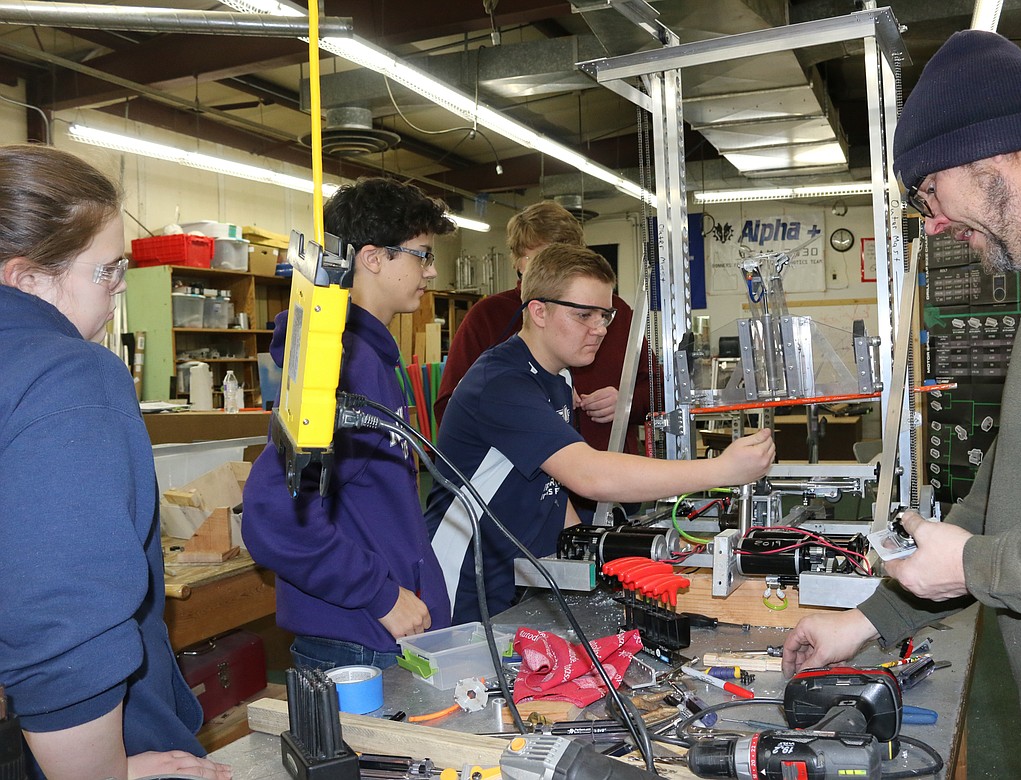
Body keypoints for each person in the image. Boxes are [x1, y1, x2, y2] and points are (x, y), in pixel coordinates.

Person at [782, 30, 1021, 778]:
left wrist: (981, 567)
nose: (931, 222)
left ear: (988, 153)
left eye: (927, 192)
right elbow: (1009, 485)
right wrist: (866, 622)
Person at [0, 144, 228, 778]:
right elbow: (62, 615)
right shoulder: (67, 372)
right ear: (25, 278)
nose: (122, 285)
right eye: (108, 269)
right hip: (101, 739)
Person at [426, 243, 775, 623]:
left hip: (519, 574)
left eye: (604, 315)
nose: (600, 330)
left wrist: (588, 553)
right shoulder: (501, 382)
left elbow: (552, 484)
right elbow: (588, 474)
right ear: (538, 311)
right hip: (464, 581)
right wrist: (722, 471)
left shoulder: (558, 377)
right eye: (584, 315)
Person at [243, 177, 455, 670]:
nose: (433, 270)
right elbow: (274, 515)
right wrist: (378, 594)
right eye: (422, 255)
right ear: (374, 257)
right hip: (355, 641)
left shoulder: (369, 358)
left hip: (371, 634)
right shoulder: (344, 366)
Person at [434, 201, 654, 456]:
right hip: (526, 483)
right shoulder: (487, 317)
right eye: (542, 259)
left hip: (611, 471)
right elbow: (454, 407)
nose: (598, 328)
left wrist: (627, 402)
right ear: (517, 262)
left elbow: (656, 387)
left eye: (566, 257)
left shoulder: (617, 313)